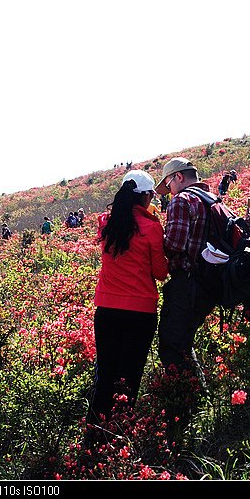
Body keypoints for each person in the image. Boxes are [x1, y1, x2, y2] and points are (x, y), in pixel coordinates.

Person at [153, 157, 250, 438]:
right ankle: (200, 397)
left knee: (171, 343)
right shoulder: (214, 199)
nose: (169, 191)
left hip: (188, 282)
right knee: (183, 341)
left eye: (168, 184)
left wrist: (152, 240)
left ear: (178, 178)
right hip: (210, 285)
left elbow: (174, 244)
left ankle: (188, 407)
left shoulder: (181, 201)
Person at [85, 170, 168, 430]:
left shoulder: (106, 223)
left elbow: (115, 218)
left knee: (105, 374)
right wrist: (151, 216)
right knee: (129, 375)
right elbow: (160, 273)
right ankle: (120, 432)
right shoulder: (152, 228)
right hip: (140, 312)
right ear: (145, 197)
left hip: (107, 309)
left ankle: (94, 433)